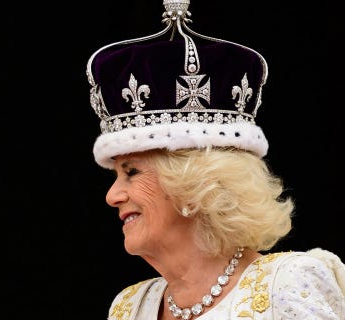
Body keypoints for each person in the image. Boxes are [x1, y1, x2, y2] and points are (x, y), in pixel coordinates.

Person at [85, 1, 345, 319]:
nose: (113, 196)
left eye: (132, 172)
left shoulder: (286, 284)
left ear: (197, 184)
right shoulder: (129, 307)